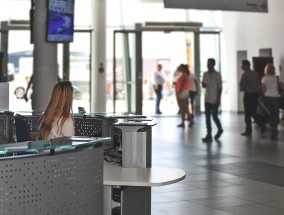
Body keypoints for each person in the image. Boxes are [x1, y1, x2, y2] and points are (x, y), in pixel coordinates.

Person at [239, 59, 265, 136]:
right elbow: (258, 84)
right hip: (255, 95)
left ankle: (248, 130)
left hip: (248, 95)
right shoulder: (255, 74)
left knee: (247, 113)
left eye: (242, 65)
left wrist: (241, 87)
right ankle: (261, 123)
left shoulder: (245, 75)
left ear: (246, 65)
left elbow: (242, 87)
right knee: (253, 112)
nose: (241, 66)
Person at [201, 58, 223, 142]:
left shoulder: (217, 75)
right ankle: (209, 134)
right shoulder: (205, 74)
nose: (207, 65)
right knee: (207, 117)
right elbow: (204, 85)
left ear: (213, 64)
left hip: (214, 99)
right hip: (207, 99)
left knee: (214, 116)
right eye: (207, 64)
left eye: (209, 64)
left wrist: (218, 99)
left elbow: (219, 88)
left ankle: (220, 128)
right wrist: (203, 84)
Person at [260, 63, 284, 140]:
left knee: (269, 114)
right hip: (275, 98)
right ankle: (274, 129)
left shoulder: (264, 78)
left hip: (267, 98)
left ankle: (269, 125)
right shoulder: (276, 78)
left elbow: (263, 89)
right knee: (276, 114)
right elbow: (280, 87)